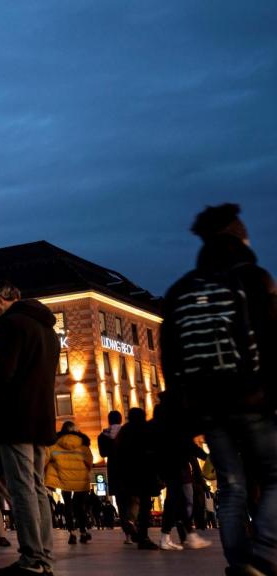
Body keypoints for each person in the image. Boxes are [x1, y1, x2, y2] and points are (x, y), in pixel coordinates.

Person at [160, 204, 276, 575]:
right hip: (251, 396)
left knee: (230, 485)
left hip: (206, 404)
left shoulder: (181, 289)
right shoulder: (253, 278)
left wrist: (183, 403)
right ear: (240, 238)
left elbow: (170, 354)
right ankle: (265, 552)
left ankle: (240, 562)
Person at [0, 279, 60, 576]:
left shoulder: (11, 324)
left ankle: (31, 559)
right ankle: (44, 556)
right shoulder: (47, 328)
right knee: (37, 487)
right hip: (42, 418)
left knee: (21, 488)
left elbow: (5, 372)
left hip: (16, 417)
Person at [153, 392, 212, 551]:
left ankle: (168, 537)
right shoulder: (173, 419)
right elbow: (186, 443)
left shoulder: (159, 417)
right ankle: (189, 535)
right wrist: (205, 456)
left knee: (174, 501)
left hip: (166, 465)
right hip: (176, 465)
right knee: (178, 501)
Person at [114, 407, 160, 550]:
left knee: (131, 502)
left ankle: (132, 528)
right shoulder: (146, 429)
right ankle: (143, 536)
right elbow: (153, 450)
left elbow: (118, 454)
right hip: (144, 473)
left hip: (128, 475)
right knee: (145, 506)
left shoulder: (124, 432)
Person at [44, 421, 93, 546]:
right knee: (80, 507)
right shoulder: (83, 445)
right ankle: (83, 531)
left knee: (68, 506)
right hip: (81, 481)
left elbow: (46, 460)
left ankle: (72, 533)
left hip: (63, 480)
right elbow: (89, 462)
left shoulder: (55, 444)